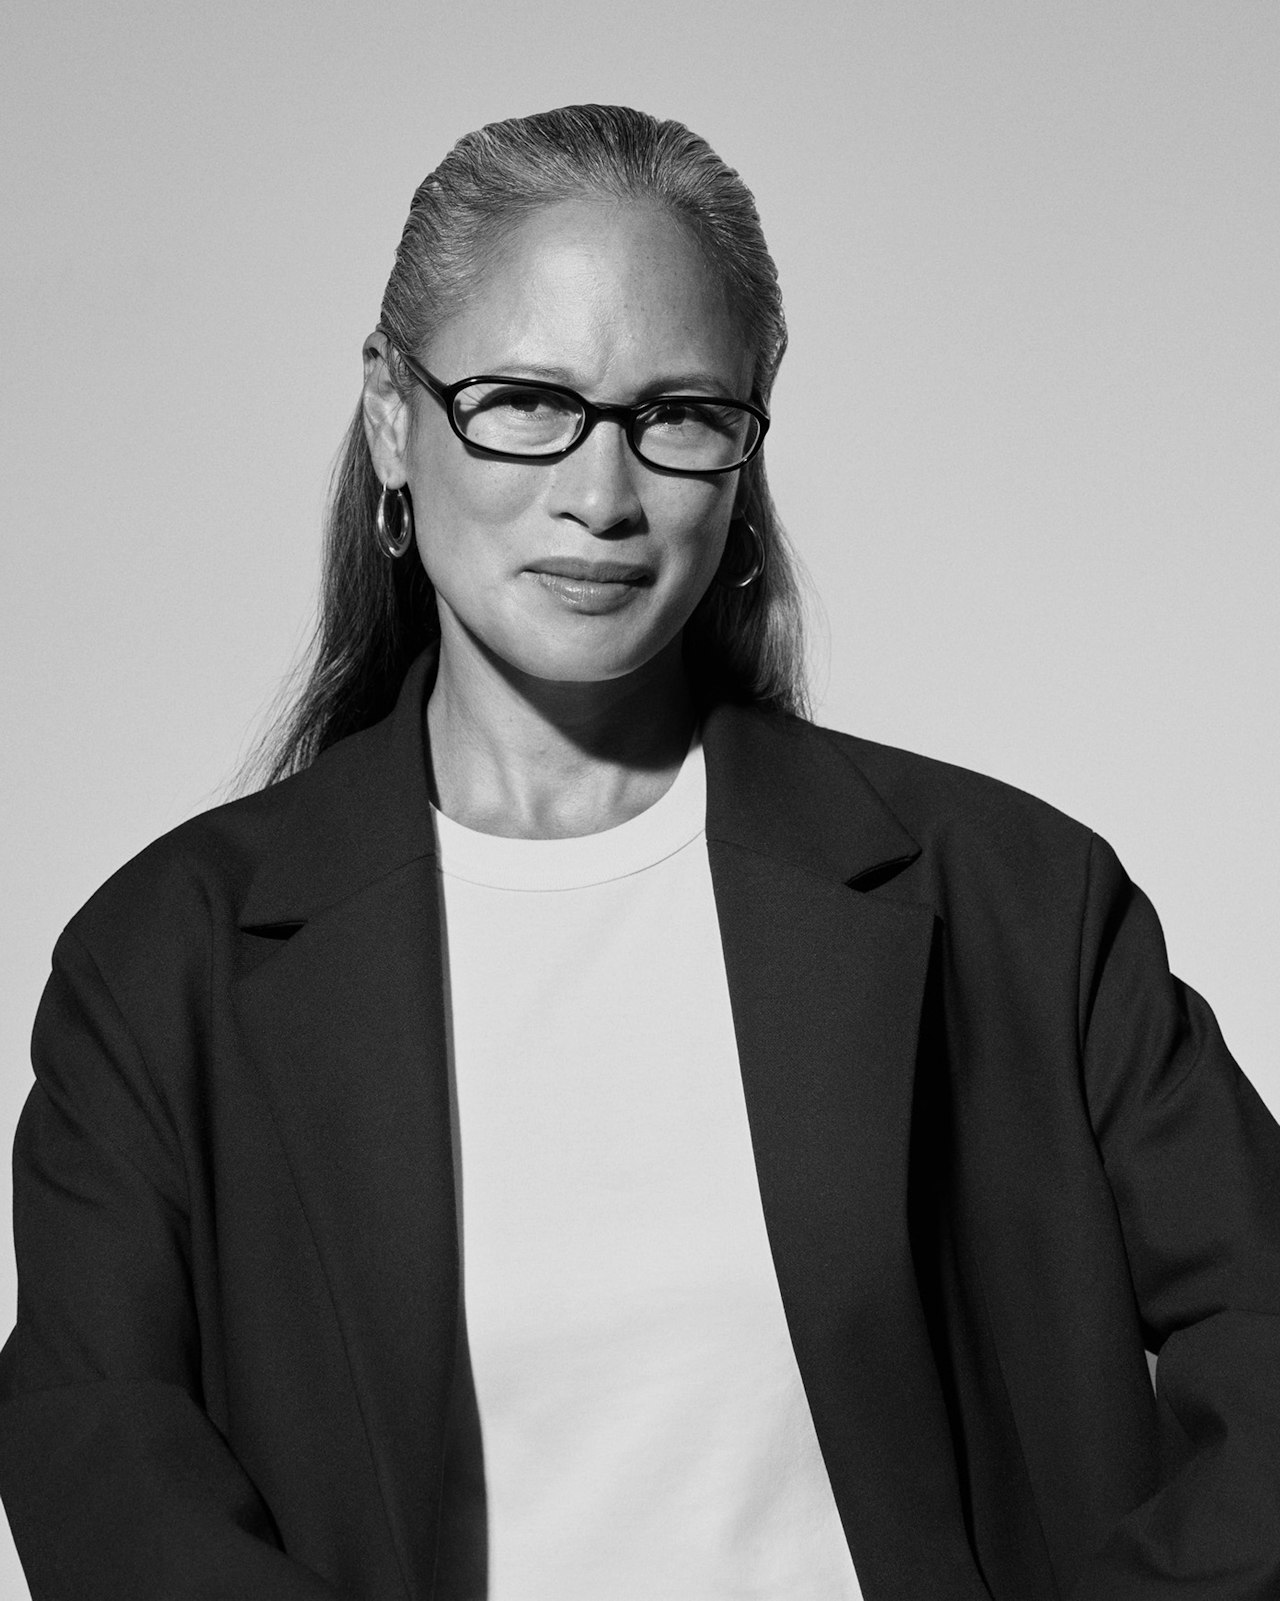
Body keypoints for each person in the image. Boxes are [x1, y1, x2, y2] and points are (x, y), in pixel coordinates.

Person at [0, 102, 1277, 1601]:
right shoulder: (165, 961)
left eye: (677, 414)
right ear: (393, 416)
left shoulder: (1015, 899)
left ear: (745, 452)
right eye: (527, 400)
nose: (601, 496)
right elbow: (99, 1450)